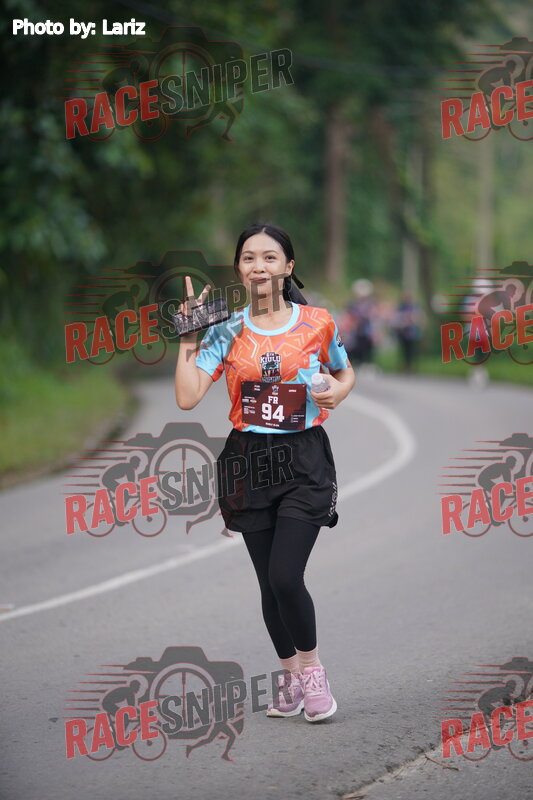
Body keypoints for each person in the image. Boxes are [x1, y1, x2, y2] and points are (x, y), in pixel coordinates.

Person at [175, 222, 355, 723]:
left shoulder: (317, 322)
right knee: (268, 585)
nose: (259, 266)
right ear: (239, 269)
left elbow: (344, 370)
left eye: (270, 257)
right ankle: (290, 677)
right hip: (248, 463)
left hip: (303, 459)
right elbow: (188, 397)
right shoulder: (226, 330)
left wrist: (338, 393)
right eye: (249, 258)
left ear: (288, 267)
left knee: (285, 575)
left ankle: (313, 674)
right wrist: (188, 336)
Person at [393, 293, 423, 372]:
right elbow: (397, 318)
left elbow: (418, 318)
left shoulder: (415, 307)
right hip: (403, 332)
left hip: (412, 333)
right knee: (404, 350)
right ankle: (405, 365)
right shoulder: (401, 308)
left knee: (411, 350)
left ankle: (411, 365)